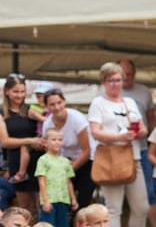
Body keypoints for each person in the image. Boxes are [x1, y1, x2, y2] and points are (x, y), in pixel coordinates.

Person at [88, 62, 150, 227]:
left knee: (142, 207)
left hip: (133, 156)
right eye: (111, 80)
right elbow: (95, 132)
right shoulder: (98, 103)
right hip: (110, 158)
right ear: (103, 82)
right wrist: (119, 136)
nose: (115, 84)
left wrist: (140, 132)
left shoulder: (129, 102)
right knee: (114, 209)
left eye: (118, 80)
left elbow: (142, 126)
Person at [119, 60, 156, 227]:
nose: (126, 77)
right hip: (117, 152)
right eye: (123, 74)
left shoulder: (144, 92)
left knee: (148, 195)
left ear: (134, 74)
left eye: (130, 74)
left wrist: (151, 140)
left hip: (141, 150)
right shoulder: (105, 95)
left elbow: (151, 120)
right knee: (115, 200)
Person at [42, 88, 96, 208]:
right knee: (62, 200)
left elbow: (86, 151)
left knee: (83, 200)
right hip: (64, 161)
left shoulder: (77, 119)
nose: (57, 107)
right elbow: (50, 152)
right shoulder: (47, 124)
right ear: (46, 106)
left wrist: (68, 170)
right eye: (52, 104)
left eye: (59, 103)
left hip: (86, 161)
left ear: (64, 102)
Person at [1, 74, 46, 218]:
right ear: (7, 91)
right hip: (17, 164)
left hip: (38, 160)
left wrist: (41, 141)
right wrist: (30, 141)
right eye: (15, 91)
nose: (19, 95)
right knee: (25, 208)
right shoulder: (2, 113)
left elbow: (46, 123)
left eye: (22, 91)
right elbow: (5, 141)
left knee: (42, 205)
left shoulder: (31, 109)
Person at [10, 81, 52, 187]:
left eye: (42, 96)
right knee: (25, 145)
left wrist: (36, 115)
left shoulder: (50, 110)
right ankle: (22, 172)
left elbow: (47, 121)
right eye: (38, 96)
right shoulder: (37, 108)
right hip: (39, 138)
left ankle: (22, 172)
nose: (40, 99)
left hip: (47, 138)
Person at [35, 128, 78, 227]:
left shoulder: (65, 161)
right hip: (50, 200)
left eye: (60, 140)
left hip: (63, 199)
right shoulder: (43, 160)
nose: (57, 142)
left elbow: (68, 181)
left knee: (63, 224)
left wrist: (73, 198)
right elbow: (41, 181)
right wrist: (45, 200)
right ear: (45, 142)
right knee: (47, 224)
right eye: (53, 140)